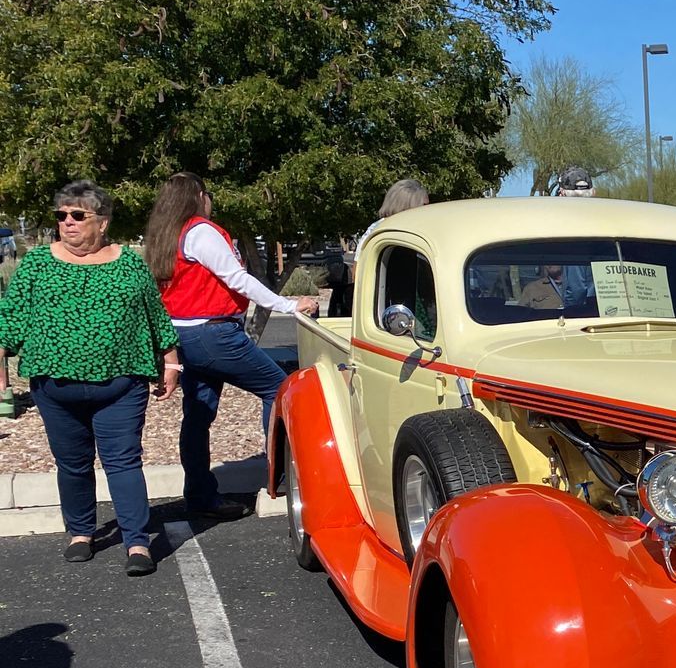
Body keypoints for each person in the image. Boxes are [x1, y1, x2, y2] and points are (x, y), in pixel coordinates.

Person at [0, 181, 181, 575]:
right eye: (61, 215)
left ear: (102, 222)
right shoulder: (36, 264)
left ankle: (136, 541)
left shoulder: (130, 263)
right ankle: (81, 533)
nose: (67, 222)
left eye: (78, 215)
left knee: (124, 462)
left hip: (121, 384)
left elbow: (155, 316)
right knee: (73, 464)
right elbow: (10, 319)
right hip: (54, 386)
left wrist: (171, 363)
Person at [145, 173, 319, 521]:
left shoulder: (165, 235)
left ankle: (200, 495)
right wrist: (288, 304)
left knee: (197, 416)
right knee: (278, 388)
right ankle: (281, 479)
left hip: (182, 335)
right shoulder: (200, 231)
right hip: (213, 334)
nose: (210, 200)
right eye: (207, 193)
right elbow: (237, 278)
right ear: (197, 196)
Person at [339, 178, 430, 321]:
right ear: (408, 205)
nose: (428, 210)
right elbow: (359, 275)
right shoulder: (380, 232)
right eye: (423, 205)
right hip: (394, 311)